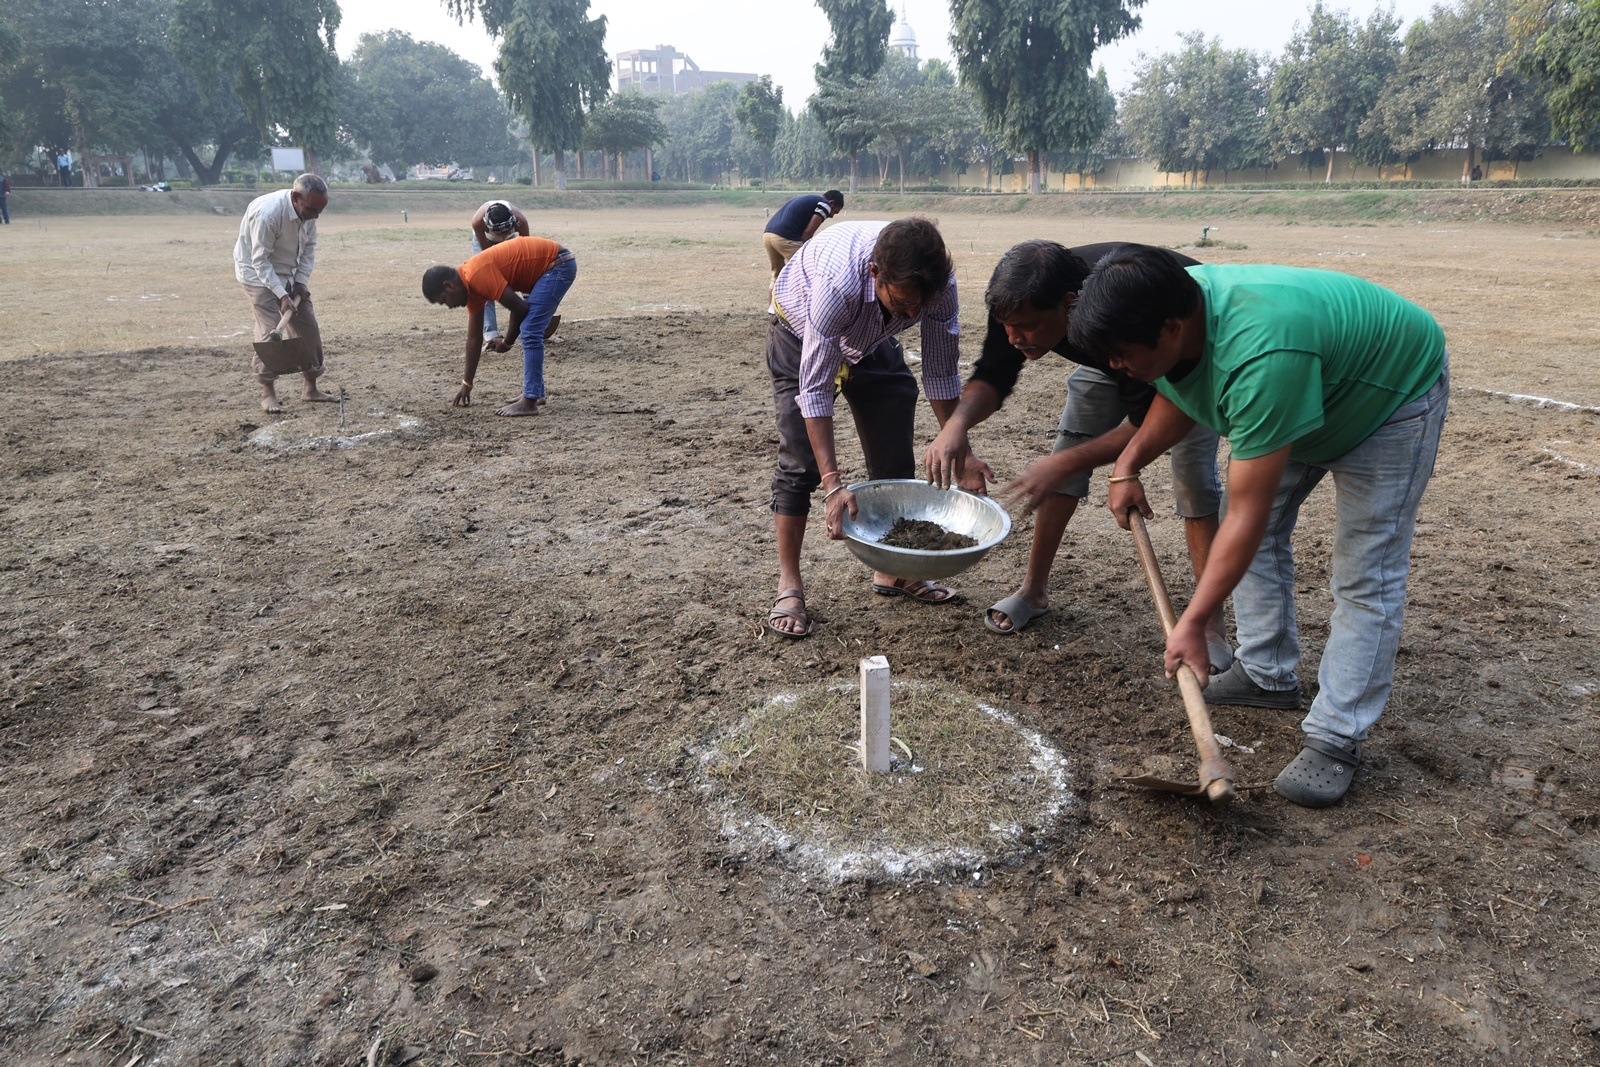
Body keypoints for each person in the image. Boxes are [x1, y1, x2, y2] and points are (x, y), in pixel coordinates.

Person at [1070, 248, 1449, 807]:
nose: (1116, 368)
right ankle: (1267, 674)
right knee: (1253, 530)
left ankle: (1337, 736)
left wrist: (1195, 620)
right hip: (1305, 386)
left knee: (1365, 573)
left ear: (1171, 329)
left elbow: (1246, 517)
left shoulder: (1262, 355)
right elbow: (1183, 390)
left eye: (1122, 355)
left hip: (1386, 397)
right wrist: (1128, 463)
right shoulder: (1171, 306)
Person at [923, 240, 1230, 669]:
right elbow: (993, 375)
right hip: (1103, 353)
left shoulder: (1124, 312)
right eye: (1007, 325)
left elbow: (1145, 424)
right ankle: (1033, 591)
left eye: (1026, 326)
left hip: (1174, 355)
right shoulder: (1017, 302)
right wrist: (956, 426)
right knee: (1066, 454)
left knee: (1192, 479)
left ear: (1070, 305)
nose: (1013, 338)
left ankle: (1210, 625)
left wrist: (1081, 464)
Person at [764, 217, 985, 639]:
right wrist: (832, 484)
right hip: (799, 335)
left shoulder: (937, 289)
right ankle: (789, 584)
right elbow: (813, 390)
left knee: (894, 428)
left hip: (871, 340)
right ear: (874, 273)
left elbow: (940, 372)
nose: (913, 315)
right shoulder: (840, 284)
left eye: (919, 308)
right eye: (902, 304)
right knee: (801, 462)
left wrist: (964, 452)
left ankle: (893, 570)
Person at [421, 235, 576, 417]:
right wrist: (466, 383)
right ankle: (535, 394)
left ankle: (530, 401)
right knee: (530, 329)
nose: (448, 306)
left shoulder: (476, 275)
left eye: (444, 300)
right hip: (547, 268)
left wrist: (507, 343)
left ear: (449, 286)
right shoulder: (470, 288)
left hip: (557, 265)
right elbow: (474, 338)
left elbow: (519, 308)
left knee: (530, 331)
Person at [233, 173, 337, 413]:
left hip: (288, 273)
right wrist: (281, 295)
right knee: (271, 331)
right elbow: (260, 262)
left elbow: (308, 249)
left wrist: (299, 283)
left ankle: (310, 389)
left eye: (321, 210)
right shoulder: (267, 214)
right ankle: (267, 394)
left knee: (308, 327)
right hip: (257, 275)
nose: (316, 216)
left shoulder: (309, 211)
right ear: (295, 197)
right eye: (312, 209)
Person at [468, 200, 533, 342]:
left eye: (506, 232)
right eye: (500, 233)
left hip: (513, 240)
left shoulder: (521, 221)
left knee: (527, 277)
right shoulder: (478, 223)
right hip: (486, 242)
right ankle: (490, 333)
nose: (503, 237)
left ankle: (533, 326)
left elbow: (525, 250)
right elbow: (488, 257)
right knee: (484, 282)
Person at [763, 191, 845, 279]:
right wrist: (807, 253)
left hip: (767, 235)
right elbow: (808, 233)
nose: (832, 216)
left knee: (777, 276)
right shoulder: (825, 205)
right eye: (835, 212)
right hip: (786, 237)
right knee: (806, 274)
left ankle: (775, 292)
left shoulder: (807, 199)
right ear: (832, 203)